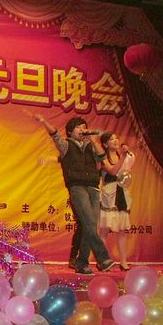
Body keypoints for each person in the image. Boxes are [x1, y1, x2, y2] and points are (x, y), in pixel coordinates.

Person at [35, 115, 116, 275]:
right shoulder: (66, 145)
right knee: (88, 222)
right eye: (78, 127)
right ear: (70, 132)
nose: (82, 129)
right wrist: (44, 121)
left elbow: (102, 157)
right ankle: (103, 258)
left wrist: (93, 140)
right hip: (77, 187)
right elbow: (55, 135)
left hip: (94, 187)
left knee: (90, 225)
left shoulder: (91, 146)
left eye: (84, 126)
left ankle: (81, 263)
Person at [99, 132, 136, 271]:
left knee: (122, 230)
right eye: (111, 139)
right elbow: (113, 171)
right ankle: (104, 260)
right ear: (105, 144)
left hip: (122, 193)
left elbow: (127, 171)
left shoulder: (123, 156)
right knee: (105, 229)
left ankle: (123, 261)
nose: (115, 141)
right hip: (109, 194)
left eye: (116, 138)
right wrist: (124, 157)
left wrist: (127, 155)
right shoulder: (103, 158)